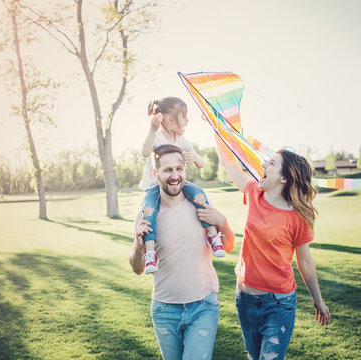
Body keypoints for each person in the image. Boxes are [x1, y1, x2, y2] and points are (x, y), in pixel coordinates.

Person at [214, 136, 331, 360]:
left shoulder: (297, 217)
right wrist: (216, 126)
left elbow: (305, 262)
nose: (263, 166)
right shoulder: (253, 193)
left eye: (271, 164)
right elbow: (228, 162)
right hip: (245, 299)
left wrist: (318, 299)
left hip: (278, 303)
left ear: (284, 178)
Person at [128, 144, 235, 360]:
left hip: (203, 307)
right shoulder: (146, 215)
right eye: (168, 170)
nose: (175, 175)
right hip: (164, 310)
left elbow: (229, 246)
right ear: (156, 173)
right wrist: (139, 245)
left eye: (179, 168)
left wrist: (223, 222)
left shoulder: (201, 205)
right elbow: (137, 269)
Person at [138, 97, 226, 274]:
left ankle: (213, 237)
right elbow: (145, 152)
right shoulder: (157, 136)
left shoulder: (182, 140)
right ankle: (150, 255)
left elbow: (201, 163)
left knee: (200, 195)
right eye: (184, 116)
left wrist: (192, 157)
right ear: (170, 120)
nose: (188, 120)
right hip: (155, 187)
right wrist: (152, 129)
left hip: (178, 184)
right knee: (148, 212)